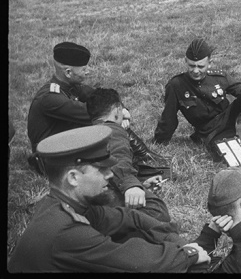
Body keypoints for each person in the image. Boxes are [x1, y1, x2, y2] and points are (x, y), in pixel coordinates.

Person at [7, 126, 210, 272]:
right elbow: (132, 261)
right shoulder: (65, 230)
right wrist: (188, 255)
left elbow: (131, 218)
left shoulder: (71, 205)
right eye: (102, 169)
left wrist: (177, 242)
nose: (110, 175)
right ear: (73, 178)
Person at [26, 42, 156, 174]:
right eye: (83, 69)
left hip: (66, 145)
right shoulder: (50, 98)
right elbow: (97, 113)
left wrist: (120, 111)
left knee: (108, 123)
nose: (88, 71)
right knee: (106, 125)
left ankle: (145, 156)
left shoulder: (73, 87)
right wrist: (118, 116)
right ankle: (144, 157)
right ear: (68, 72)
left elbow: (105, 98)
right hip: (52, 159)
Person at [86, 88, 171, 222]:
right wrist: (131, 185)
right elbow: (118, 158)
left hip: (83, 193)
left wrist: (141, 183)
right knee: (157, 211)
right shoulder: (112, 130)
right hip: (97, 201)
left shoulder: (87, 132)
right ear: (117, 109)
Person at [153, 37, 241, 145]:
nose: (196, 71)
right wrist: (159, 141)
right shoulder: (176, 85)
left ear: (209, 63)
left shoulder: (218, 76)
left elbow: (240, 90)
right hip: (209, 131)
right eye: (191, 66)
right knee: (225, 148)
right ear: (185, 61)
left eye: (201, 66)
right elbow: (169, 117)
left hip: (229, 119)